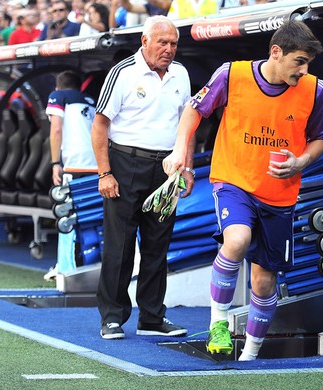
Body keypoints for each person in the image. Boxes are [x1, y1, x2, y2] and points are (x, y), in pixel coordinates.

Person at [162, 20, 323, 361]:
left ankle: (250, 355)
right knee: (236, 240)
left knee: (263, 283)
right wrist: (181, 150)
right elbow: (194, 111)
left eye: (308, 63)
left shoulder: (316, 90)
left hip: (280, 195)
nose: (304, 70)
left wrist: (300, 162)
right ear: (276, 52)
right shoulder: (231, 75)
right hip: (233, 180)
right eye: (299, 61)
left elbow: (320, 138)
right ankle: (219, 324)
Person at [91, 15, 194, 340]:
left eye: (173, 43)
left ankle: (151, 317)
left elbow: (186, 126)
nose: (168, 49)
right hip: (124, 164)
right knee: (119, 246)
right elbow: (100, 124)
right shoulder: (123, 72)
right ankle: (112, 317)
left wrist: (186, 167)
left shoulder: (181, 73)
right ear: (145, 42)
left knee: (157, 245)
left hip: (166, 168)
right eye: (162, 42)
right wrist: (105, 172)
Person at [47, 70, 98, 186]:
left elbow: (56, 129)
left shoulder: (57, 96)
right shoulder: (92, 101)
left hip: (74, 161)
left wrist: (55, 163)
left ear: (57, 87)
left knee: (70, 202)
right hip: (97, 161)